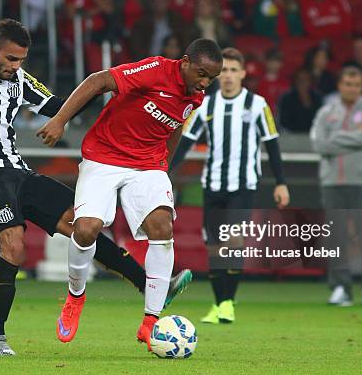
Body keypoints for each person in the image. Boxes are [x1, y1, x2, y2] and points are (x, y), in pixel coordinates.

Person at [0, 0, 192, 357]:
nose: (17, 67)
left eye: (21, 61)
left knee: (80, 223)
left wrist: (121, 100)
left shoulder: (20, 81)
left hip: (18, 171)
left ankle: (150, 284)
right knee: (14, 248)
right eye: (11, 60)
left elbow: (61, 106)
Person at [37, 38, 223, 348]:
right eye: (201, 73)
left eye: (211, 79)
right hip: (104, 156)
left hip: (147, 164)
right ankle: (75, 298)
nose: (204, 83)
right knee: (85, 229)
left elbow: (175, 124)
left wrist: (166, 166)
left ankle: (150, 321)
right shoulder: (156, 70)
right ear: (186, 62)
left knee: (162, 228)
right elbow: (99, 81)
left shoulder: (196, 95)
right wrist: (59, 120)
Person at [170, 47, 290, 324]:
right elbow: (184, 144)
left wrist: (281, 183)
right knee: (214, 246)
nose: (228, 76)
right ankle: (218, 304)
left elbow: (272, 145)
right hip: (213, 185)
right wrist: (162, 171)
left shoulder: (257, 105)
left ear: (243, 74)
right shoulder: (205, 105)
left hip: (243, 185)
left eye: (234, 70)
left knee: (233, 241)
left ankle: (228, 303)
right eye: (223, 70)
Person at [310, 66, 362, 307]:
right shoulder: (326, 112)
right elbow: (318, 144)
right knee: (335, 237)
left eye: (357, 85)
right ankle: (341, 287)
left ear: (361, 87)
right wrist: (354, 137)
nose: (352, 89)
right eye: (348, 84)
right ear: (340, 86)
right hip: (332, 182)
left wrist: (335, 140)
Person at [278, 67, 322, 133]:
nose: (302, 82)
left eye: (306, 79)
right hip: (291, 136)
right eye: (300, 80)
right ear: (295, 81)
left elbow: (319, 120)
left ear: (310, 81)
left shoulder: (317, 98)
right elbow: (284, 122)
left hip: (313, 135)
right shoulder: (287, 98)